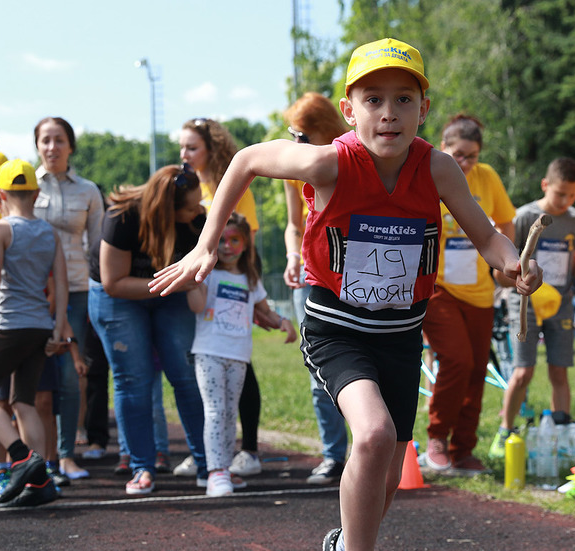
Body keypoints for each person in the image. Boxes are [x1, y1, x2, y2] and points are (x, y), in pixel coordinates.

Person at [147, 37, 543, 551]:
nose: (388, 113)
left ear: (423, 110)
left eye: (404, 99)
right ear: (348, 110)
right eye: (372, 99)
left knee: (392, 469)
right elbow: (244, 160)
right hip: (336, 328)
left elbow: (487, 236)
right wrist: (204, 245)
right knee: (373, 434)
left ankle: (344, 542)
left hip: (400, 333)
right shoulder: (328, 164)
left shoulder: (439, 168)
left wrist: (515, 264)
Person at [88, 163, 211, 495]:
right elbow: (114, 283)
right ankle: (141, 467)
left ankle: (207, 464)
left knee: (185, 374)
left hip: (170, 292)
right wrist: (173, 283)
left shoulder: (197, 220)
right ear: (165, 209)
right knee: (133, 379)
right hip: (118, 297)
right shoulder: (122, 217)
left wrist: (186, 283)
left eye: (199, 202)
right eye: (189, 207)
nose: (198, 211)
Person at [420, 114, 516, 475]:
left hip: (479, 291)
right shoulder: (432, 171)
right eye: (457, 154)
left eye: (471, 156)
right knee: (457, 360)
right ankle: (437, 439)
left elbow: (505, 221)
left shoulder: (487, 178)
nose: (464, 162)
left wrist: (504, 262)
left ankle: (463, 449)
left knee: (477, 368)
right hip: (438, 287)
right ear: (444, 148)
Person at [176, 117, 270, 480]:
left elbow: (242, 235)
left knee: (240, 364)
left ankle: (248, 450)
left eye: (192, 147)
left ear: (211, 150)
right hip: (197, 277)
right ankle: (206, 451)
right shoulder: (184, 184)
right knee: (201, 365)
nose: (184, 154)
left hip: (232, 270)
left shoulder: (235, 184)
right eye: (182, 147)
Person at [188, 213, 297, 496]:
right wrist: (192, 278)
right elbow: (197, 307)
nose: (227, 246)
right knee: (216, 411)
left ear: (246, 243)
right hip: (209, 353)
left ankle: (223, 468)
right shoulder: (207, 273)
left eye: (234, 239)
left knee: (228, 415)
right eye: (221, 239)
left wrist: (283, 322)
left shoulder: (250, 278)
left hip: (238, 356)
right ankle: (215, 473)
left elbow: (264, 311)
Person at [490, 158, 575, 452]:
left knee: (559, 370)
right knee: (523, 371)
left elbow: (571, 251)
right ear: (545, 185)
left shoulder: (574, 218)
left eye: (573, 194)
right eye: (561, 194)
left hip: (561, 303)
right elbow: (505, 267)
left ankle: (561, 432)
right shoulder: (525, 217)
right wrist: (517, 283)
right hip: (526, 303)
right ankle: (505, 431)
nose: (567, 201)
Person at [0, 158, 68, 507]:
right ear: (36, 194)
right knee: (24, 402)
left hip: (10, 325)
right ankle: (40, 482)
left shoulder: (0, 229)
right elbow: (61, 286)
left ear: (0, 195)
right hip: (40, 326)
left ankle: (21, 457)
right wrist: (59, 327)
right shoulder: (50, 233)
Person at [282, 91, 352, 485]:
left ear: (324, 133)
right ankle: (333, 456)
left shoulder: (352, 163)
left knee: (363, 368)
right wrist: (294, 255)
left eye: (301, 136)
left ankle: (368, 452)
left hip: (350, 279)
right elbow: (295, 224)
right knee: (318, 372)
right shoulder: (294, 169)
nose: (294, 144)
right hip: (308, 278)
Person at [33, 116, 105, 480]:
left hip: (76, 289)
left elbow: (98, 247)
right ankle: (36, 457)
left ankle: (65, 455)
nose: (52, 148)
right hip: (33, 292)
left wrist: (98, 290)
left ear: (70, 146)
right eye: (45, 140)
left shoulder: (89, 191)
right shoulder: (27, 186)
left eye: (59, 140)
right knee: (35, 377)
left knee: (68, 372)